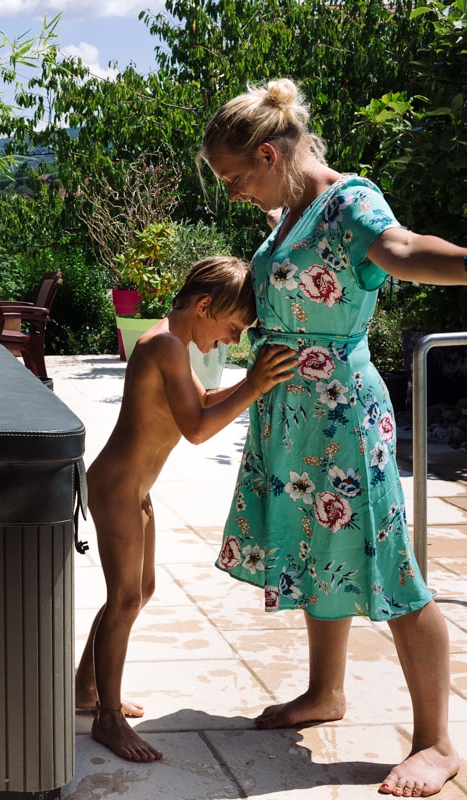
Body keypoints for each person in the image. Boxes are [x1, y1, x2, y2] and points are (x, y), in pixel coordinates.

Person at [199, 78, 467, 797]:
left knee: (391, 567)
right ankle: (325, 693)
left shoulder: (350, 201)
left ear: (267, 153)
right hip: (292, 415)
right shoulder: (287, 213)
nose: (231, 194)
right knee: (319, 549)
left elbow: (404, 249)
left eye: (233, 178)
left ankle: (439, 743)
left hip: (344, 415)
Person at [74, 256, 296, 762]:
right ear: (203, 306)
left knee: (137, 592)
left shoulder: (170, 345)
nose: (234, 340)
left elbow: (202, 401)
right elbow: (197, 429)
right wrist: (256, 383)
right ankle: (106, 719)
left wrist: (256, 385)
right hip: (117, 488)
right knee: (125, 598)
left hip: (134, 489)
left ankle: (87, 689)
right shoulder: (164, 346)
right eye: (234, 327)